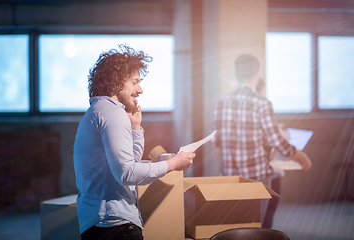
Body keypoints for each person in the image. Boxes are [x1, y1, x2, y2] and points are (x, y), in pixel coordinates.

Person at [73, 45, 195, 240]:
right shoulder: (113, 113)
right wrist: (173, 164)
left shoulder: (98, 111)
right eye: (135, 82)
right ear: (117, 81)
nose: (140, 89)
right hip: (116, 226)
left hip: (101, 222)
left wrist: (135, 128)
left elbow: (129, 163)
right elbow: (128, 174)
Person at [211, 54, 312, 228]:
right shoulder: (262, 104)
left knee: (235, 226)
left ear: (236, 74)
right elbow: (277, 141)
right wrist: (300, 156)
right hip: (256, 178)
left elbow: (216, 141)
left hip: (229, 177)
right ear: (257, 73)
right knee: (258, 228)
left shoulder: (221, 103)